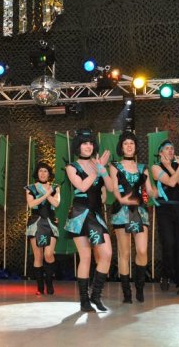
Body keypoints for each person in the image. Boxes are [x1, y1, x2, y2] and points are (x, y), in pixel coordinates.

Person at [64, 129, 113, 312]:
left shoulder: (98, 164)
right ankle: (84, 300)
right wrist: (97, 170)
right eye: (84, 143)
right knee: (85, 257)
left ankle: (96, 296)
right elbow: (83, 186)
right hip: (80, 214)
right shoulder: (71, 167)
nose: (88, 146)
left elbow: (110, 188)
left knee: (106, 254)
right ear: (78, 146)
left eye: (91, 143)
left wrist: (103, 171)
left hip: (96, 214)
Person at [110, 131, 157, 303]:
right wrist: (122, 199)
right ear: (121, 147)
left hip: (140, 212)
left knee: (142, 251)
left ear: (136, 147)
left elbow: (149, 190)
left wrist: (157, 190)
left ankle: (139, 287)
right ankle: (126, 293)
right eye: (126, 143)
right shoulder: (115, 166)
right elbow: (114, 188)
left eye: (132, 143)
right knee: (124, 253)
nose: (129, 146)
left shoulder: (143, 167)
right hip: (121, 212)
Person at [151, 140, 179, 295]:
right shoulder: (156, 167)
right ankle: (167, 274)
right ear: (160, 152)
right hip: (165, 208)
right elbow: (172, 181)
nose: (170, 150)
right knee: (169, 243)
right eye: (167, 148)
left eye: (172, 148)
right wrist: (177, 166)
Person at [25, 161, 60, 295]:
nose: (43, 173)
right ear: (37, 173)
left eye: (45, 171)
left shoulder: (55, 187)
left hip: (50, 222)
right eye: (40, 171)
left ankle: (49, 283)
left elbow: (56, 203)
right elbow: (31, 204)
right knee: (38, 256)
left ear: (49, 174)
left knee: (48, 254)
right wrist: (46, 194)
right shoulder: (30, 188)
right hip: (35, 223)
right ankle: (40, 287)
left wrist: (48, 192)